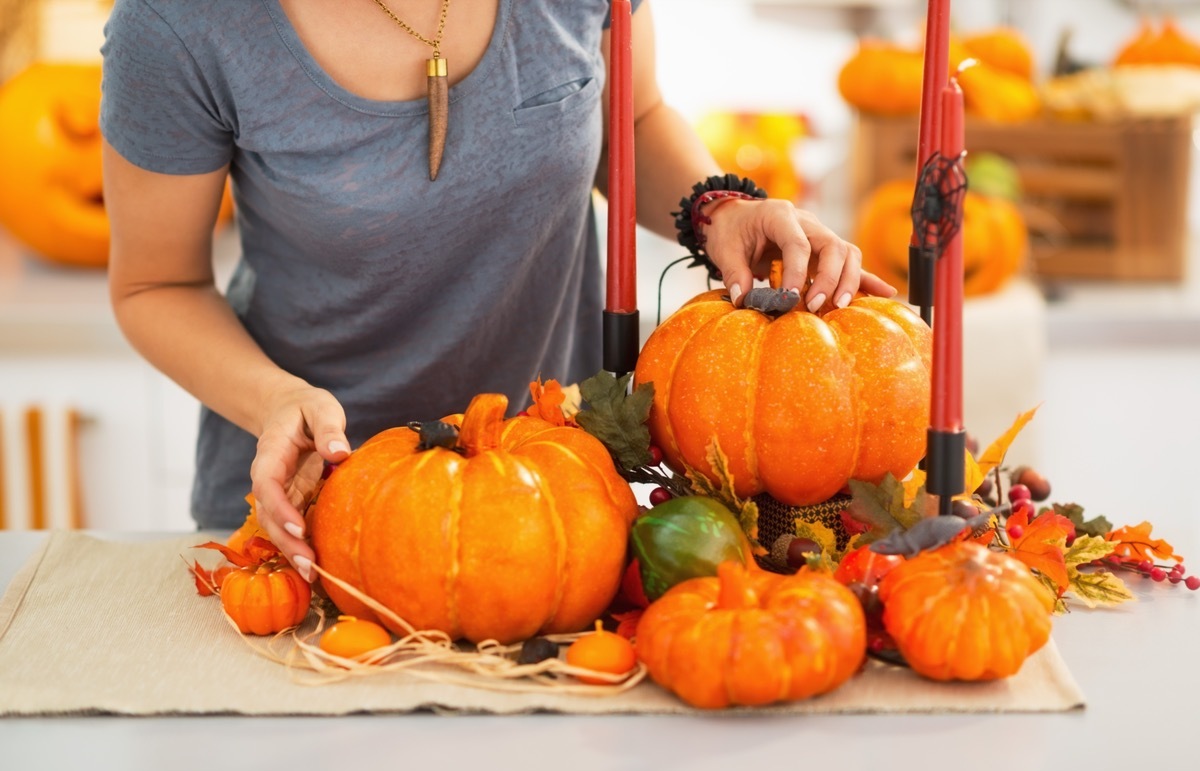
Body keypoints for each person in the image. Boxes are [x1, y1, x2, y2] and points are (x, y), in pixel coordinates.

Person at [100, 0, 895, 582]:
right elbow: (156, 284)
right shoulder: (178, 25)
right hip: (306, 520)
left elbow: (634, 114)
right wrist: (275, 399)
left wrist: (720, 209)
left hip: (554, 508)